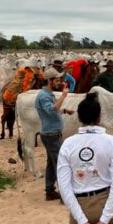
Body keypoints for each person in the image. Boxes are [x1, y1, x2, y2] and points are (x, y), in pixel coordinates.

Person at [58, 92, 113, 224]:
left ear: (79, 117)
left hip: (80, 204)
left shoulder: (68, 144)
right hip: (103, 202)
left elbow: (64, 187)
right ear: (99, 117)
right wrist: (104, 219)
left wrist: (81, 219)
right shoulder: (110, 141)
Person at [35, 68, 74, 201]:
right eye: (56, 80)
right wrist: (63, 95)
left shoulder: (47, 94)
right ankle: (65, 196)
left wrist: (63, 111)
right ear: (49, 81)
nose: (59, 82)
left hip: (52, 134)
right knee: (60, 164)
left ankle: (50, 191)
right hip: (51, 135)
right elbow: (51, 110)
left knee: (52, 163)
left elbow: (52, 110)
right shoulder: (43, 96)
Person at [1, 59, 44, 139]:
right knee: (17, 87)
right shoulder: (25, 71)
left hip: (33, 85)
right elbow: (23, 80)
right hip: (22, 83)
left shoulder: (39, 74)